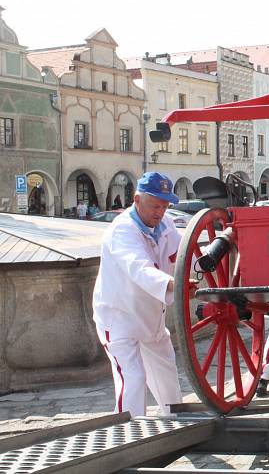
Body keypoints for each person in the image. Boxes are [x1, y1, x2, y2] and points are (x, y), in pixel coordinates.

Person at [92, 172, 184, 417]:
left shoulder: (167, 225)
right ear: (137, 199)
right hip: (118, 317)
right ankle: (127, 435)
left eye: (165, 206)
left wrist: (209, 257)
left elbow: (185, 254)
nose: (160, 211)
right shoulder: (121, 230)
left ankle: (176, 421)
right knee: (132, 378)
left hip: (151, 317)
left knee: (166, 373)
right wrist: (175, 284)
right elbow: (138, 267)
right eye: (155, 205)